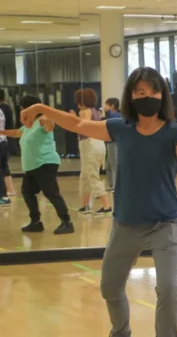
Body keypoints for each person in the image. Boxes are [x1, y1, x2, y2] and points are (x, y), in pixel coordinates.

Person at [22, 67, 177, 337]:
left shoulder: (173, 130)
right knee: (110, 286)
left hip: (165, 225)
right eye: (141, 92)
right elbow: (78, 123)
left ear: (163, 95)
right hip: (126, 225)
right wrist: (41, 107)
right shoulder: (120, 127)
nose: (148, 97)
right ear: (131, 96)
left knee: (168, 288)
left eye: (154, 92)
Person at [2, 95, 74, 234]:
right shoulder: (29, 124)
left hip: (45, 163)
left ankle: (67, 222)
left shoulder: (42, 120)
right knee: (27, 191)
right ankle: (36, 222)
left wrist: (47, 116)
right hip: (32, 166)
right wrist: (2, 132)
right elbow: (18, 132)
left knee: (51, 193)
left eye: (23, 109)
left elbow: (50, 125)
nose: (22, 111)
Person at [74, 88, 112, 216]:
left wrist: (73, 118)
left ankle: (106, 206)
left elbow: (83, 126)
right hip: (98, 143)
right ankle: (84, 205)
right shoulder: (97, 112)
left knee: (91, 175)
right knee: (86, 175)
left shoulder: (84, 111)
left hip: (89, 144)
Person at [103, 98, 122, 192]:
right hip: (108, 142)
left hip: (113, 142)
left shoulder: (118, 115)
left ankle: (116, 186)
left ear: (112, 106)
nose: (104, 106)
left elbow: (111, 119)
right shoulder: (109, 115)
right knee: (108, 165)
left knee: (114, 164)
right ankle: (111, 185)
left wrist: (107, 111)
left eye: (106, 105)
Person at [0, 89, 15, 206]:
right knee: (4, 167)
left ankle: (3, 196)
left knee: (2, 168)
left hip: (2, 140)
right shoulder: (5, 109)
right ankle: (9, 191)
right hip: (5, 140)